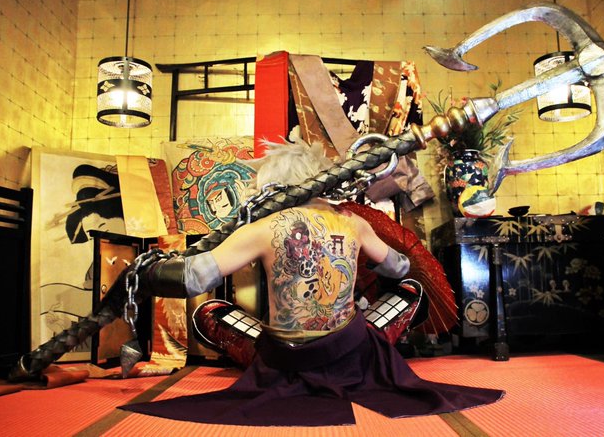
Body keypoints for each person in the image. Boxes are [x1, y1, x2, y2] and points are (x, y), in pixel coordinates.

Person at [119, 139, 504, 426]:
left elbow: (193, 278)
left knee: (213, 311)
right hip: (352, 356)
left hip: (284, 360)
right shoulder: (354, 223)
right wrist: (367, 261)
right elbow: (400, 268)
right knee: (410, 293)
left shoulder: (263, 227)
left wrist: (142, 271)